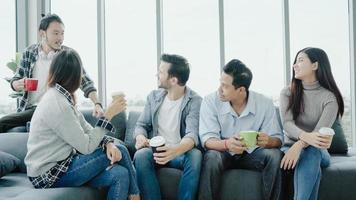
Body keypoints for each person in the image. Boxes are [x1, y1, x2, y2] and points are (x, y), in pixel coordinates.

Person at [24, 49, 140, 200]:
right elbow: (86, 147)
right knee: (122, 150)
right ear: (74, 76)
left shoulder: (62, 97)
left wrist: (108, 143)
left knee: (120, 174)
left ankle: (135, 194)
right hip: (49, 174)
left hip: (63, 165)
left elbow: (86, 128)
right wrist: (108, 115)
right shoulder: (57, 104)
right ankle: (136, 195)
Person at [0, 13, 104, 133]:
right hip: (32, 109)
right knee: (4, 122)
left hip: (57, 109)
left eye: (62, 33)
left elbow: (86, 82)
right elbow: (17, 77)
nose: (60, 38)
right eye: (56, 33)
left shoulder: (67, 55)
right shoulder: (29, 52)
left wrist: (97, 103)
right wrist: (15, 84)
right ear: (42, 34)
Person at [198, 59, 283, 200]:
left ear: (241, 90)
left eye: (225, 86)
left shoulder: (264, 103)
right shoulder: (210, 101)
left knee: (274, 156)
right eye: (220, 83)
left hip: (253, 154)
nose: (219, 89)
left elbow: (277, 140)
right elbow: (207, 140)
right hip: (222, 152)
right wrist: (227, 144)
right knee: (211, 157)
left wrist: (268, 141)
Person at [133, 54, 202, 200]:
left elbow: (192, 134)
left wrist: (174, 151)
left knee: (195, 155)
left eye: (161, 72)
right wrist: (140, 137)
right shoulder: (154, 97)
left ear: (173, 80)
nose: (157, 75)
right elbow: (141, 125)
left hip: (179, 153)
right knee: (141, 155)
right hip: (156, 153)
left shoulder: (194, 101)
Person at [279, 47, 344, 200]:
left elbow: (318, 135)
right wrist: (298, 143)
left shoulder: (329, 98)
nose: (295, 64)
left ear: (315, 65)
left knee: (312, 152)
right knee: (312, 161)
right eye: (295, 61)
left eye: (301, 60)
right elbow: (287, 124)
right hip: (288, 147)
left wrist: (299, 144)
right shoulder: (287, 92)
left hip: (318, 150)